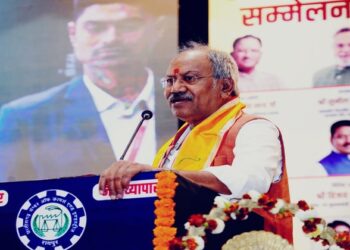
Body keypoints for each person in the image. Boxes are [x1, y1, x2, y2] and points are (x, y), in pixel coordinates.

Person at [98, 42, 292, 243]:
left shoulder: (253, 128)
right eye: (170, 81)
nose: (176, 89)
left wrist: (167, 176)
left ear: (225, 86)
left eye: (189, 79)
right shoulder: (173, 145)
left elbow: (250, 182)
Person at [0, 0, 177, 182]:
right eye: (95, 28)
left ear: (158, 30)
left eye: (128, 26)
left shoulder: (186, 104)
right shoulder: (24, 117)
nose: (111, 39)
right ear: (73, 34)